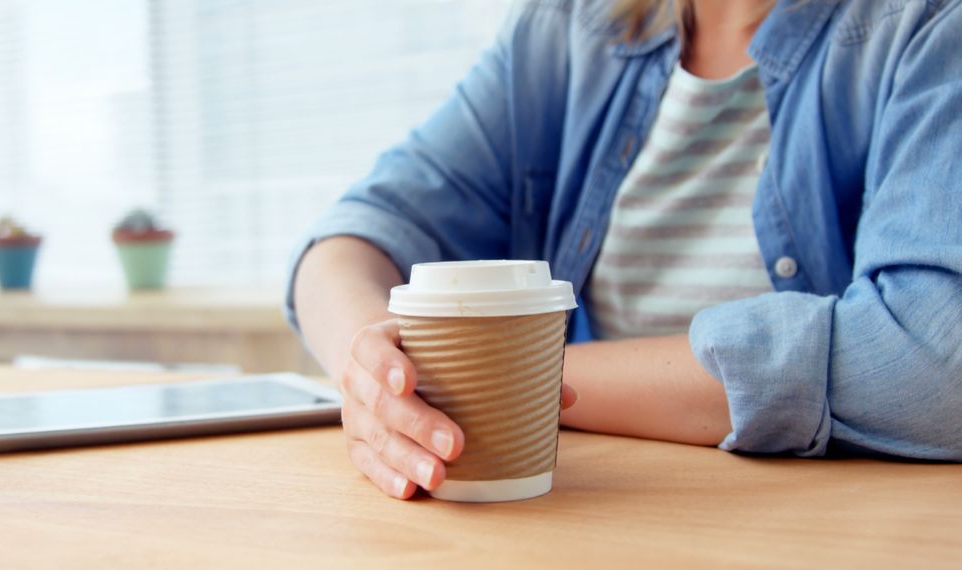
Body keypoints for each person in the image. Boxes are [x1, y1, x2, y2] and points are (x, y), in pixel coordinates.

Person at [286, 0, 962, 499]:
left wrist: (512, 382)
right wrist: (374, 376)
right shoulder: (570, 32)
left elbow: (933, 362)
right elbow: (353, 238)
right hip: (592, 520)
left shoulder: (929, 28)